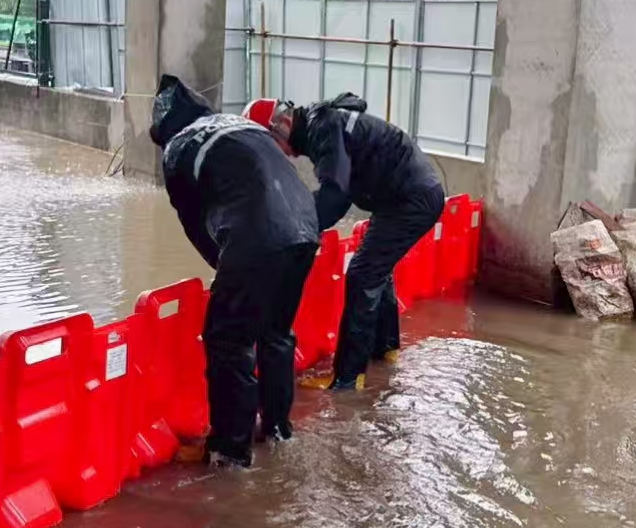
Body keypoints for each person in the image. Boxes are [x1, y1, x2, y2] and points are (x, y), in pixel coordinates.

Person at [151, 75, 320, 467]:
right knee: (276, 333)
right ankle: (277, 429)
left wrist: (227, 270)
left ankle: (230, 452)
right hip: (306, 228)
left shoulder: (178, 148)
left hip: (257, 234)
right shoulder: (236, 124)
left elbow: (196, 226)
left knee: (228, 340)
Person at [251, 92, 444, 390]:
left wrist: (298, 231)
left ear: (283, 125)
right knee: (377, 269)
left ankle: (348, 378)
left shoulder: (323, 129)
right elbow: (338, 188)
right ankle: (385, 349)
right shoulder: (322, 123)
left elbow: (335, 196)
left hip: (409, 199)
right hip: (405, 196)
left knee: (362, 274)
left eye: (270, 144)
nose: (276, 154)